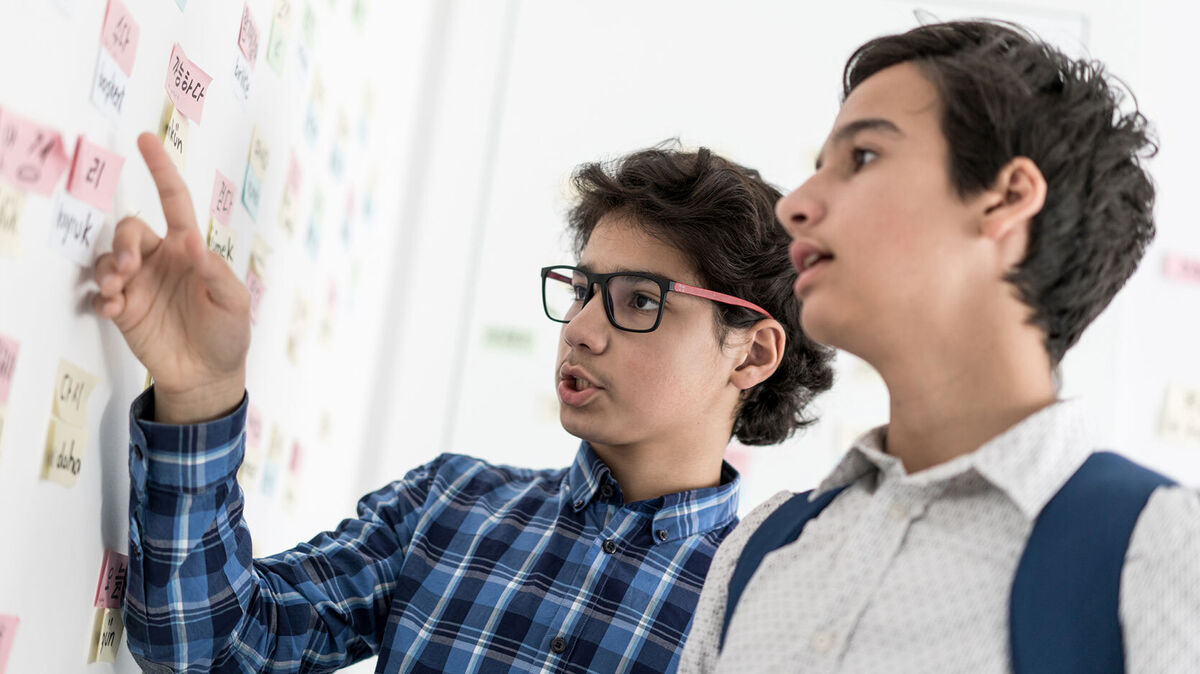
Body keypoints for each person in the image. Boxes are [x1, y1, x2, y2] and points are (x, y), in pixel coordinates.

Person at [93, 136, 834, 672]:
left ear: (753, 353)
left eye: (638, 300)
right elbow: (207, 644)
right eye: (580, 291)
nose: (578, 329)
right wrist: (201, 393)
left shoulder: (771, 614)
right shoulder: (450, 504)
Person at [681, 20, 1200, 673]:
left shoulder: (1163, 550)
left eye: (862, 157)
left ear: (1007, 199)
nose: (796, 206)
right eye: (819, 166)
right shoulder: (760, 547)